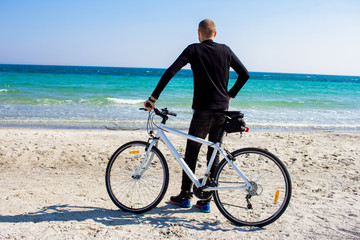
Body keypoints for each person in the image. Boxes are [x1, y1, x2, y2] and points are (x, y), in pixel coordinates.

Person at [144, 19, 249, 213]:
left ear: (198, 33)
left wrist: (153, 98)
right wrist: (230, 95)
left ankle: (185, 196)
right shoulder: (226, 50)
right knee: (213, 153)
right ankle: (206, 199)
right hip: (222, 111)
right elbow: (245, 74)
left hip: (202, 111)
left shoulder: (193, 49)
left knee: (192, 151)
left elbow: (171, 72)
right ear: (215, 34)